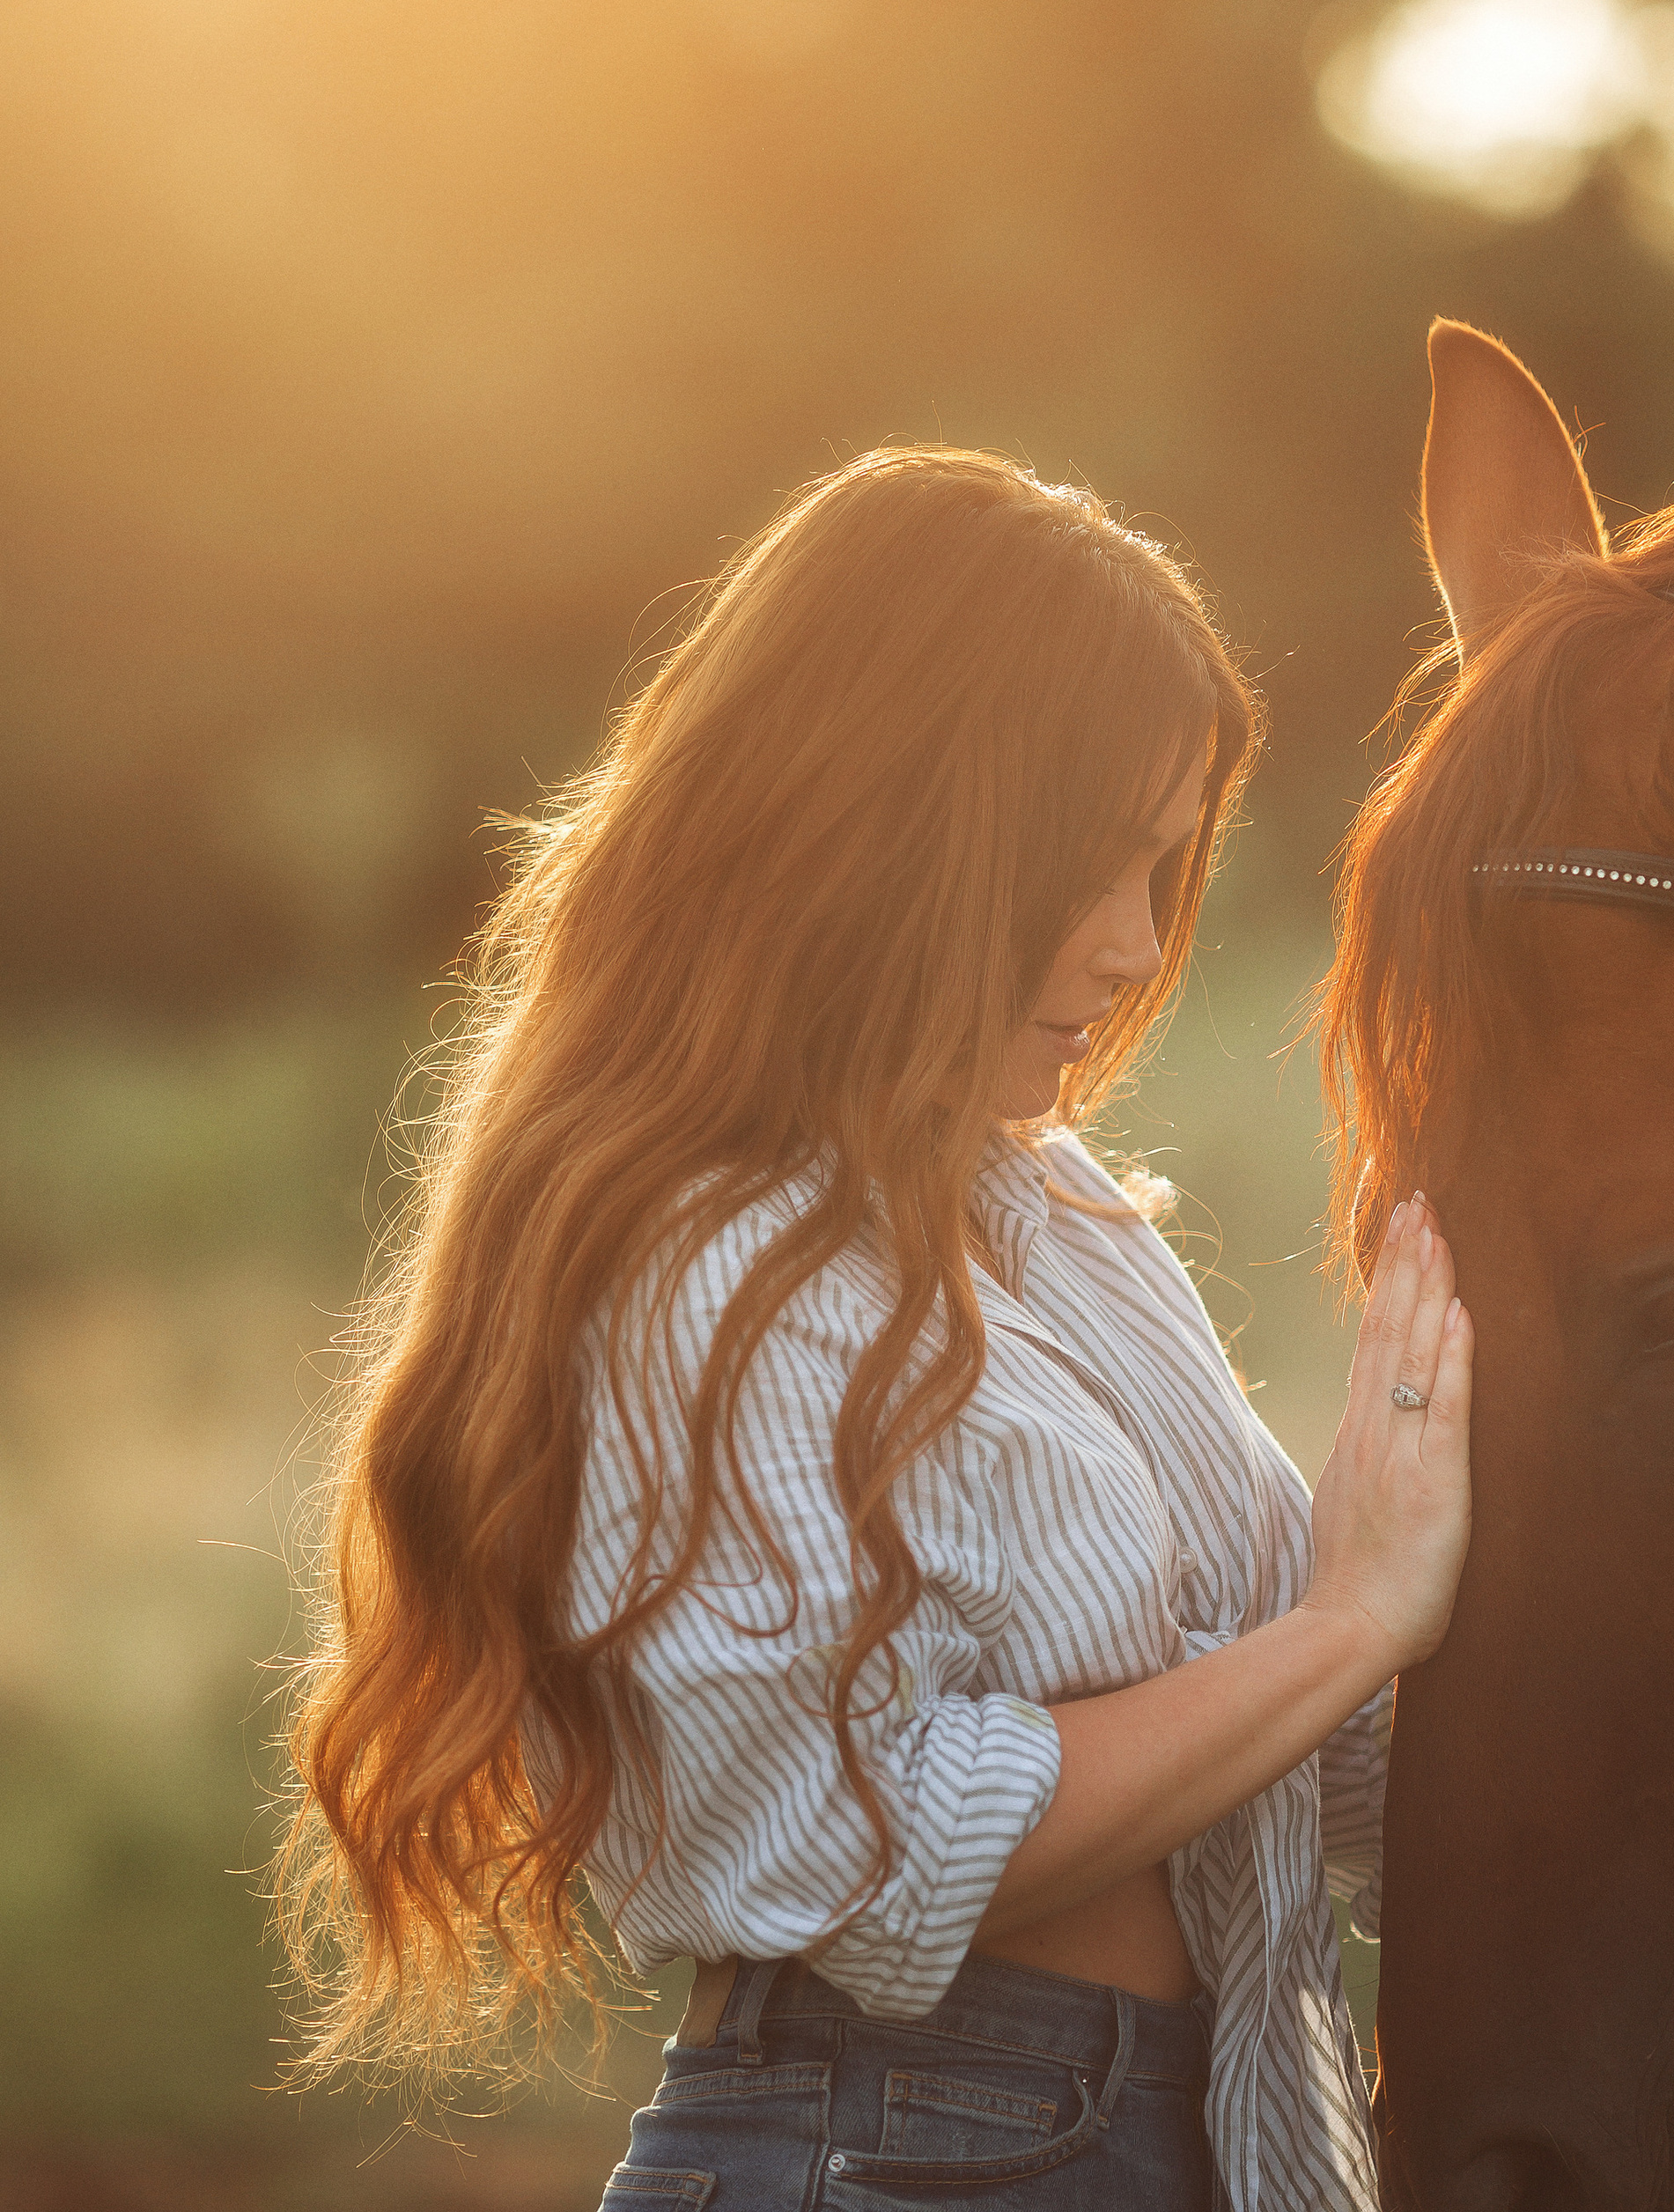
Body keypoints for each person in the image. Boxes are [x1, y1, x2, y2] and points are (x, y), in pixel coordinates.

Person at [275, 446, 1474, 2211]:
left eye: (1166, 867)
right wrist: (1348, 1619)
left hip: (1182, 2133)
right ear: (905, 835)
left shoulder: (1050, 1220)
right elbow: (872, 1845)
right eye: (1094, 865)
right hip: (907, 2145)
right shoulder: (699, 1256)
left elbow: (1309, 1763)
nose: (1141, 943)